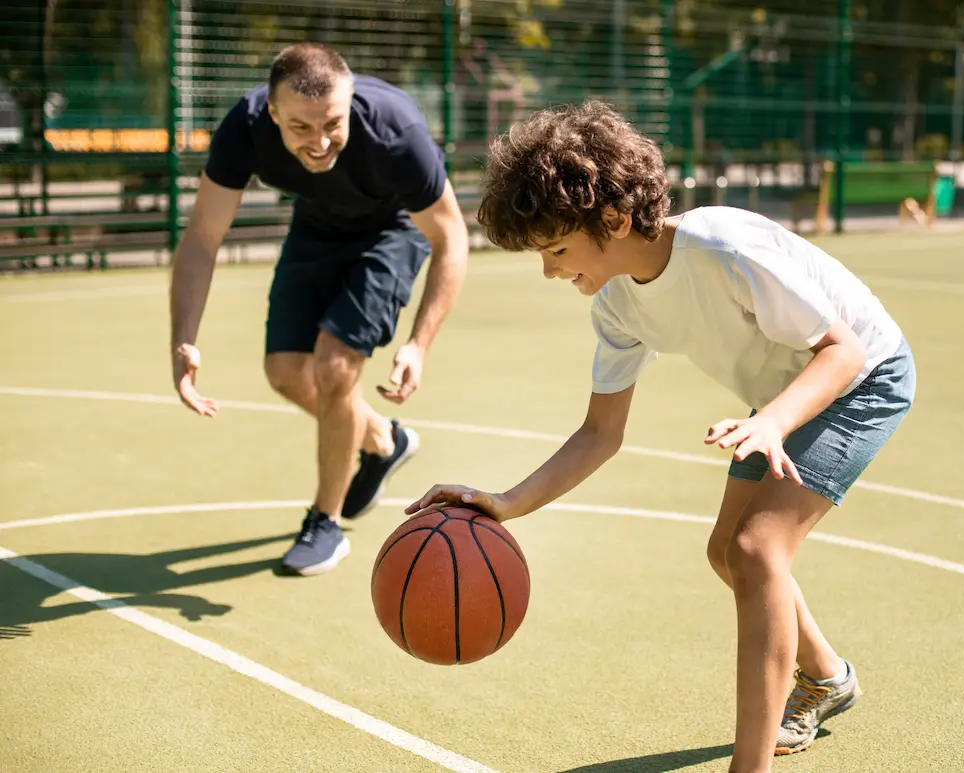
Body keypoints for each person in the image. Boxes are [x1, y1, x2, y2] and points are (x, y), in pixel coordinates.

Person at [406, 102, 916, 769]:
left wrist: (772, 420)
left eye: (557, 249)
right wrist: (506, 501)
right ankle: (825, 676)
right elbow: (599, 433)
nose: (550, 271)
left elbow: (841, 352)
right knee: (727, 553)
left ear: (613, 220)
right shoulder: (618, 303)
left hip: (863, 377)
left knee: (756, 548)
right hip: (785, 401)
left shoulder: (722, 249)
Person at [169, 43, 469, 576]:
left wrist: (419, 345)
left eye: (333, 122)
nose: (321, 140)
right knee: (284, 372)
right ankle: (383, 439)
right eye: (301, 129)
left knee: (334, 368)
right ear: (273, 113)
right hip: (317, 223)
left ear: (350, 103)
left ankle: (325, 524)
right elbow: (202, 238)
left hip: (392, 230)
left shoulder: (395, 132)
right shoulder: (245, 127)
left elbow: (450, 237)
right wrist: (184, 338)